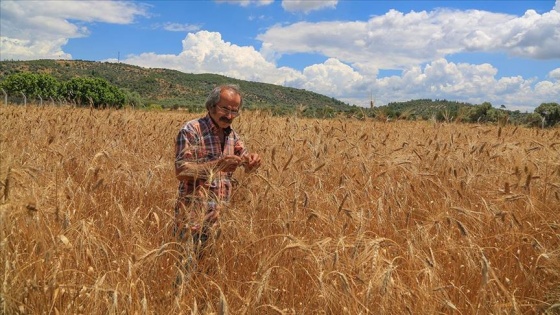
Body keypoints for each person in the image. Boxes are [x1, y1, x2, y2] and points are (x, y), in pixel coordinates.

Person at [173, 84, 261, 271]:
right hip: (192, 220)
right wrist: (218, 165)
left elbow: (245, 161)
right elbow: (181, 171)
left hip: (218, 221)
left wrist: (251, 162)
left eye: (234, 111)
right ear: (211, 106)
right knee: (183, 275)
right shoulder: (191, 130)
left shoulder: (232, 136)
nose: (229, 116)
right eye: (224, 109)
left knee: (207, 276)